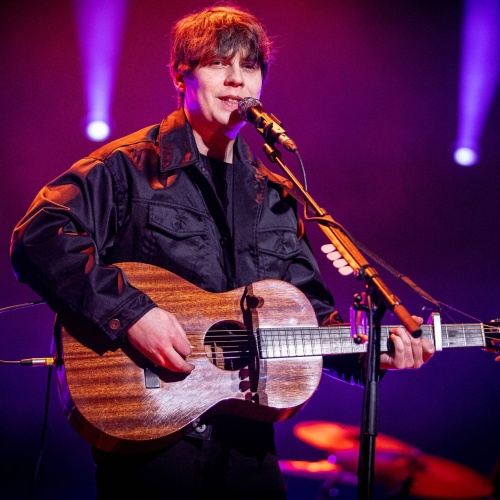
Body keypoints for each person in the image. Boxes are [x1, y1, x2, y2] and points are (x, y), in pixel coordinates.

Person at [10, 4, 435, 498]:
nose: (237, 81)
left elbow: (313, 325)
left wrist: (377, 354)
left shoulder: (276, 196)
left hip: (251, 447)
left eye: (249, 67)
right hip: (153, 443)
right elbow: (39, 236)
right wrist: (132, 314)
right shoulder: (127, 168)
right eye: (219, 64)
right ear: (180, 75)